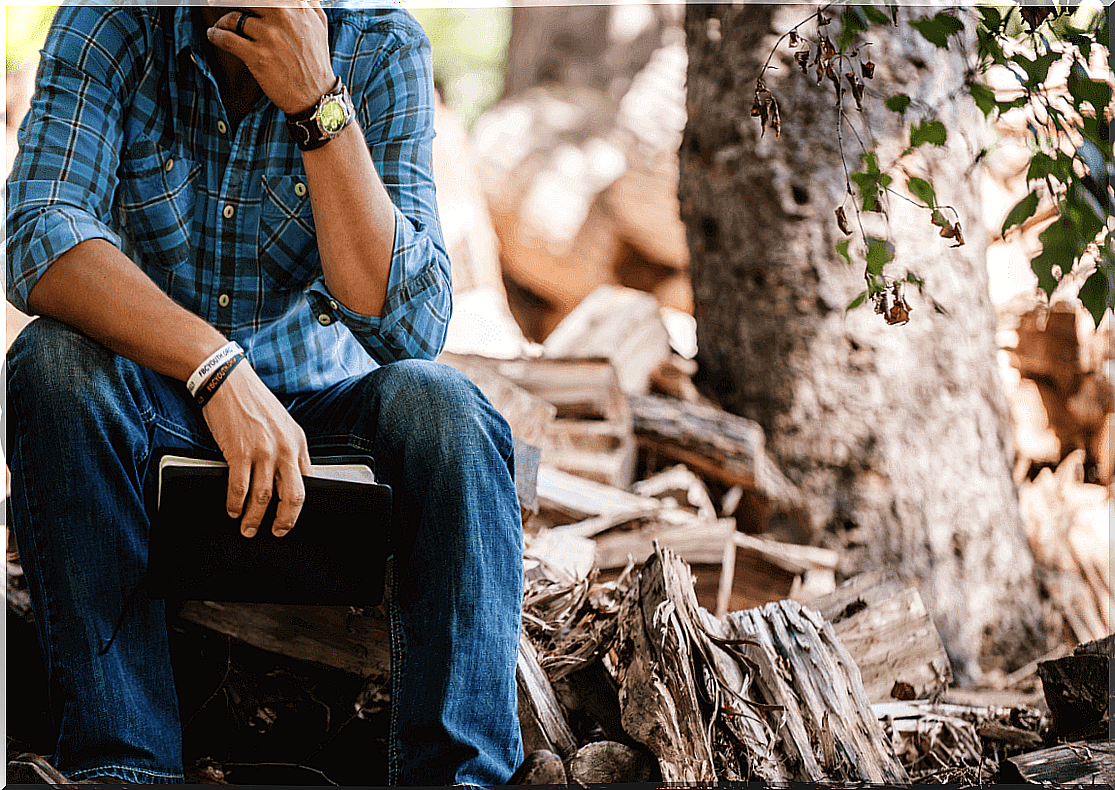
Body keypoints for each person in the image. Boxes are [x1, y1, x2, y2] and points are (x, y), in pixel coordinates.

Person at [5, 1, 528, 784]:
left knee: (445, 409)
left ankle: (461, 777)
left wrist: (318, 105)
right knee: (49, 361)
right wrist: (214, 368)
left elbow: (411, 326)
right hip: (148, 420)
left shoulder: (381, 44)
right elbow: (38, 237)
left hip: (318, 435)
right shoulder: (110, 23)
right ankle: (123, 767)